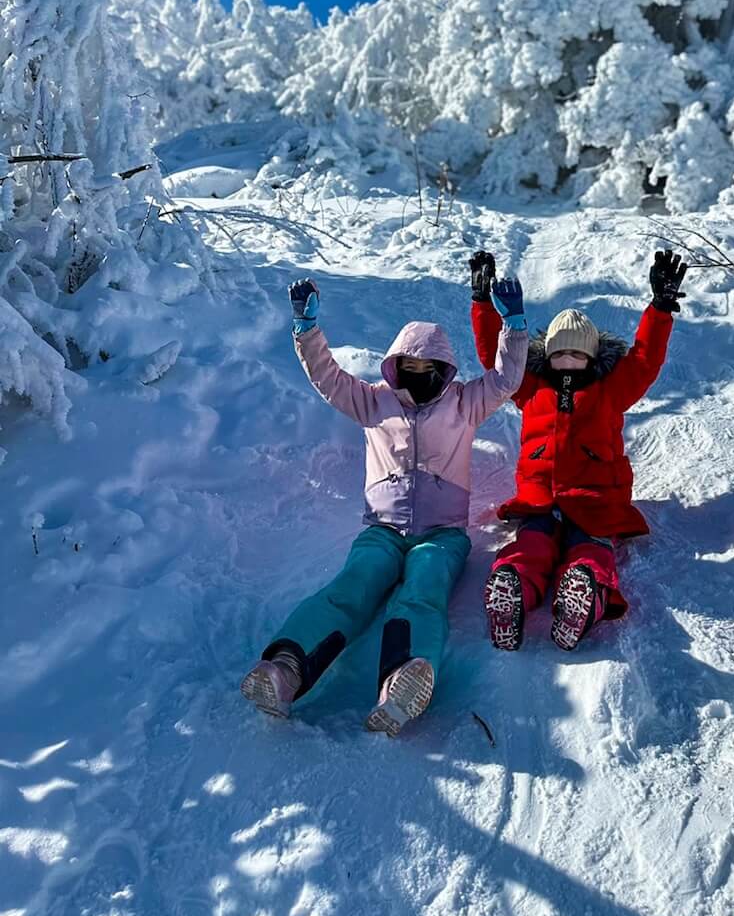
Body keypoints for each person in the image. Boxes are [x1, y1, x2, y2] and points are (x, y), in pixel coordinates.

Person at [240, 272, 529, 734]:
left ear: (444, 371)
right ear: (394, 369)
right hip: (381, 529)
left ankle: (402, 681)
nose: (417, 380)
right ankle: (285, 669)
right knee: (351, 588)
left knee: (424, 591)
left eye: (427, 372)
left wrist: (512, 327)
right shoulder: (374, 403)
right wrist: (307, 329)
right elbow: (328, 379)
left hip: (443, 535)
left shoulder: (463, 404)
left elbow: (505, 380)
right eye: (408, 371)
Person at [468, 249, 687, 651]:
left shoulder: (609, 390)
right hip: (539, 498)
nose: (568, 361)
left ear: (591, 357)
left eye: (577, 354)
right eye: (559, 353)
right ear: (548, 356)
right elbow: (494, 359)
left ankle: (585, 593)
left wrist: (659, 309)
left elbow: (644, 361)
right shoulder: (531, 386)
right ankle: (512, 588)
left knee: (590, 547)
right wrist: (482, 305)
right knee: (531, 544)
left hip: (595, 499)